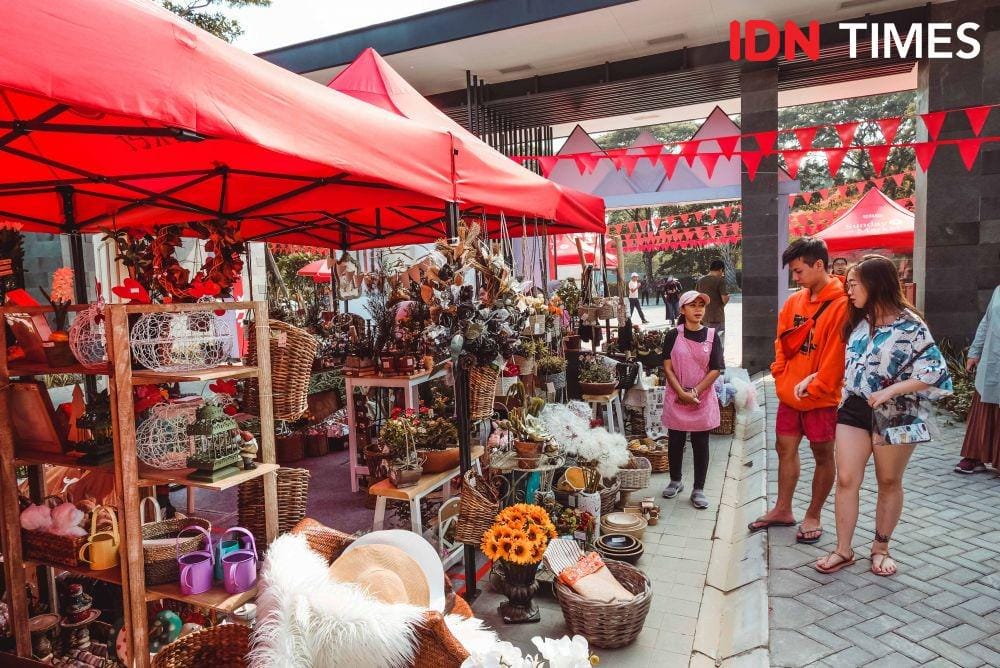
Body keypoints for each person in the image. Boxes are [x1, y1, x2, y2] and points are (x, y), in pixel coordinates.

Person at [815, 255, 951, 576]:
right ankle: (843, 549)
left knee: (888, 480)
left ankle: (881, 548)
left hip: (898, 410)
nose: (848, 290)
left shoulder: (911, 325)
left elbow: (935, 372)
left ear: (875, 284)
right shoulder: (858, 322)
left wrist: (891, 391)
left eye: (853, 284)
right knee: (847, 478)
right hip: (855, 406)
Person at [748, 237, 848, 544]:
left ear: (819, 265)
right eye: (793, 272)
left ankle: (813, 514)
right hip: (789, 396)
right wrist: (780, 375)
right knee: (784, 450)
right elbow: (781, 343)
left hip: (822, 399)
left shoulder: (842, 304)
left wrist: (816, 386)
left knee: (822, 455)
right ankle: (782, 509)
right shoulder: (794, 302)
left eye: (799, 271)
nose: (796, 277)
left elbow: (837, 355)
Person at [660, 290, 723, 509]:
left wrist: (694, 392)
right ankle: (675, 480)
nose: (698, 309)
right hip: (677, 395)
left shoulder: (712, 336)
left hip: (702, 398)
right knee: (675, 440)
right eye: (693, 305)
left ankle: (699, 488)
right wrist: (681, 393)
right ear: (682, 310)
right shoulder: (672, 335)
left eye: (701, 305)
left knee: (700, 443)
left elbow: (716, 369)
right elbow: (667, 367)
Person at [955, 284, 1000, 474]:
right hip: (993, 359)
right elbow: (986, 322)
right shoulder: (999, 290)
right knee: (983, 407)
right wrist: (974, 352)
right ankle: (974, 456)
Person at [696, 260, 729, 340]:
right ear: (721, 269)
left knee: (705, 342)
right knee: (718, 343)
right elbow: (724, 299)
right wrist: (728, 297)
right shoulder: (720, 280)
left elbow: (696, 297)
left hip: (703, 317)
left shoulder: (700, 281)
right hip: (717, 317)